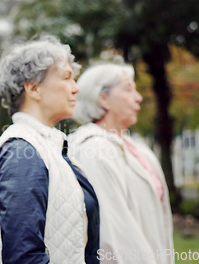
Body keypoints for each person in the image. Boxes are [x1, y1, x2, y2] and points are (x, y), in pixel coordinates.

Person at [0, 35, 100, 264]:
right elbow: (23, 256)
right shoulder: (21, 151)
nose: (76, 88)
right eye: (67, 77)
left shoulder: (51, 146)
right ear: (34, 88)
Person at [68, 62, 174, 264]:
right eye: (128, 89)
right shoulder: (94, 150)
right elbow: (115, 232)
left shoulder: (138, 149)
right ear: (103, 98)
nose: (138, 97)